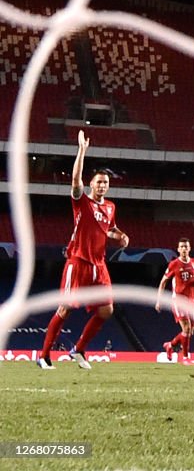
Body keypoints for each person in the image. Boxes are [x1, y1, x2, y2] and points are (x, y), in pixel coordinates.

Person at [37, 131, 130, 369]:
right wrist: (82, 151)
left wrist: (120, 236)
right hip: (78, 262)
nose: (102, 185)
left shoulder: (110, 207)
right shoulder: (81, 201)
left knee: (106, 310)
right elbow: (74, 180)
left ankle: (78, 350)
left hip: (99, 265)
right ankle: (44, 355)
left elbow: (109, 230)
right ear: (91, 184)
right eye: (98, 182)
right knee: (65, 308)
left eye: (105, 183)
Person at [155, 237, 194, 365]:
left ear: (189, 248)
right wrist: (159, 300)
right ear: (178, 249)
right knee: (186, 328)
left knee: (190, 331)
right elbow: (163, 281)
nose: (184, 249)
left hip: (191, 301)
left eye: (186, 247)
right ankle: (186, 358)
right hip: (178, 299)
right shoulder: (174, 264)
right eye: (181, 247)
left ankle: (170, 345)